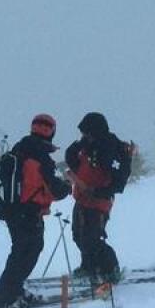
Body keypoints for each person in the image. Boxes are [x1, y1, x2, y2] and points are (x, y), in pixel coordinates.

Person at [0, 113, 72, 308]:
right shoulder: (40, 157)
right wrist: (68, 186)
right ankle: (6, 297)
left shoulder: (19, 149)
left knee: (21, 251)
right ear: (51, 132)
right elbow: (55, 190)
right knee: (26, 252)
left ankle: (10, 292)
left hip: (10, 210)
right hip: (28, 212)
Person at [65, 112, 132, 284]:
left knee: (92, 238)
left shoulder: (110, 148)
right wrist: (79, 144)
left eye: (86, 133)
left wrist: (99, 191)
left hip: (99, 200)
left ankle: (111, 269)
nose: (84, 136)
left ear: (95, 131)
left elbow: (119, 180)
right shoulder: (88, 145)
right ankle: (89, 266)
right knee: (78, 235)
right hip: (82, 196)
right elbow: (71, 158)